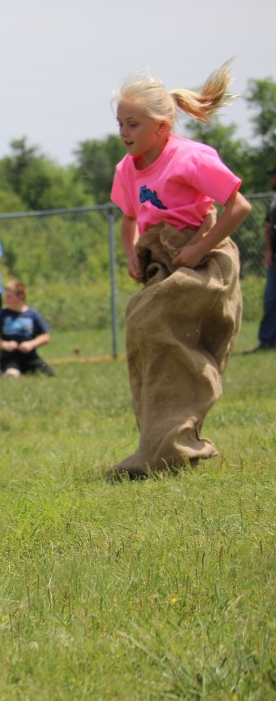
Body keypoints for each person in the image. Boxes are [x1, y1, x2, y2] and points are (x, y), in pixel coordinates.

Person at [109, 61, 251, 479]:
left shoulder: (189, 158)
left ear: (162, 127)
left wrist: (199, 247)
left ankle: (175, 441)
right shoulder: (126, 169)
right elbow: (129, 219)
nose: (124, 133)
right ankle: (163, 442)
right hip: (162, 261)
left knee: (154, 324)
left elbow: (239, 206)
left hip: (205, 260)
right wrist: (132, 254)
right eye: (120, 124)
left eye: (133, 124)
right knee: (146, 335)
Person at [0, 280, 54, 377]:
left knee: (49, 374)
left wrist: (31, 344)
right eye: (5, 296)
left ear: (21, 297)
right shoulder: (2, 314)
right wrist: (4, 344)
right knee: (12, 374)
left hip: (30, 356)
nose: (6, 299)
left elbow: (45, 336)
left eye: (9, 297)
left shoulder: (32, 314)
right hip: (9, 357)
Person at [254, 167, 276, 352]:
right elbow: (268, 228)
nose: (272, 180)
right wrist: (268, 252)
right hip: (275, 260)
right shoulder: (274, 202)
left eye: (274, 176)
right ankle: (267, 340)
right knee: (270, 300)